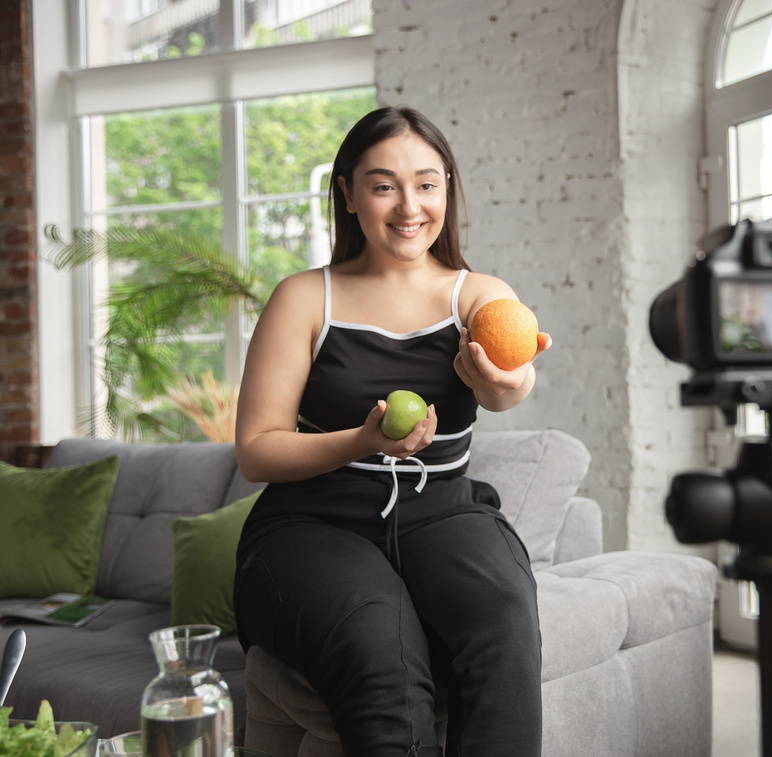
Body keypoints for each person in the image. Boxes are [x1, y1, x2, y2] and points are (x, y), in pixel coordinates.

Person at [232, 106, 551, 757]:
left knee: (504, 621)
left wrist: (496, 378)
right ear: (347, 193)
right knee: (380, 645)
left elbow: (508, 384)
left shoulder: (476, 292)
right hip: (312, 522)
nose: (410, 205)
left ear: (447, 190)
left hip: (442, 512)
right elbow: (256, 449)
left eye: (427, 183)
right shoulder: (303, 297)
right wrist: (362, 441)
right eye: (383, 185)